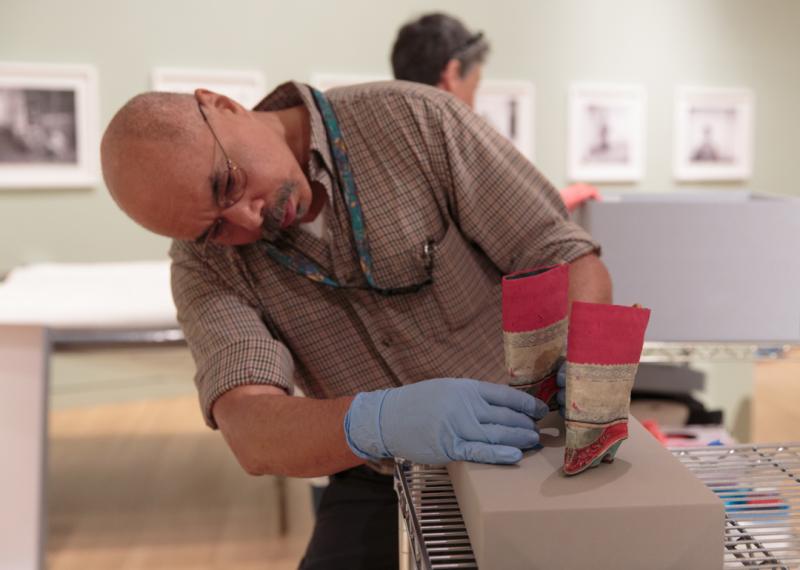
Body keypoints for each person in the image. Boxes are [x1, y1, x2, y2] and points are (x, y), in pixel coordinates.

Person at [100, 79, 612, 569]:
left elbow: (563, 256)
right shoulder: (205, 265)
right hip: (379, 476)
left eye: (227, 183)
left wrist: (576, 359)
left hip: (523, 441)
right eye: (216, 229)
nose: (249, 220)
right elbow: (250, 428)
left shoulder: (412, 121)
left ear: (222, 105)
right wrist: (378, 422)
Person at [391, 12, 599, 213]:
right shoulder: (454, 148)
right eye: (474, 88)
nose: (472, 105)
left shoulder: (390, 142)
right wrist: (558, 203)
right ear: (452, 74)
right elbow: (496, 218)